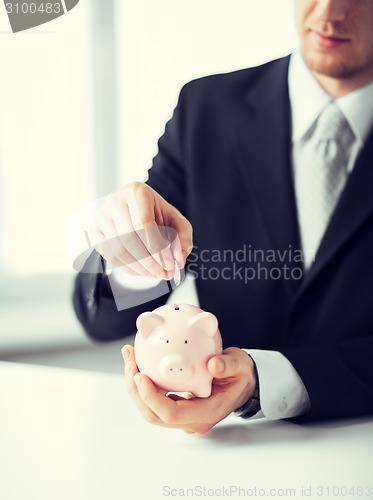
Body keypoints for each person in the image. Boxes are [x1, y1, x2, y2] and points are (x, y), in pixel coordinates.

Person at [73, 0, 373, 434]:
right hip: (231, 452)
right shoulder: (206, 108)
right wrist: (130, 250)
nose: (329, 12)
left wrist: (262, 380)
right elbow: (101, 318)